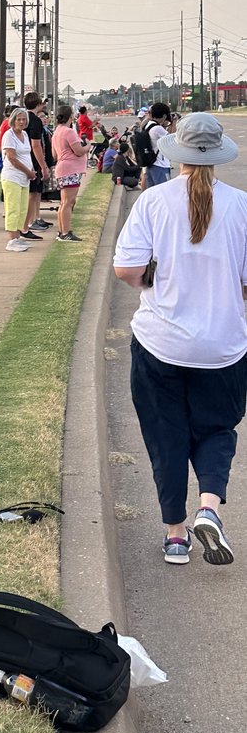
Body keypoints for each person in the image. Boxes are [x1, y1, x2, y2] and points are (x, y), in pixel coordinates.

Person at [113, 113, 247, 566]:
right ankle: (209, 508)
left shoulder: (153, 202)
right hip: (223, 345)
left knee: (164, 437)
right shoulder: (242, 206)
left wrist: (154, 280)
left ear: (179, 154)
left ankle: (175, 534)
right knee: (216, 430)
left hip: (160, 343)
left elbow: (127, 270)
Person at [0, 108, 37, 251]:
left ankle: (17, 236)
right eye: (19, 119)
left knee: (22, 208)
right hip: (12, 176)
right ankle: (11, 239)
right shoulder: (9, 135)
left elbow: (27, 154)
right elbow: (12, 158)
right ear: (13, 120)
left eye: (24, 119)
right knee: (13, 208)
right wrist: (28, 172)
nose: (21, 122)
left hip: (24, 177)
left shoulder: (25, 135)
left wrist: (31, 171)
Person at [52, 103, 89, 241]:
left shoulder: (57, 131)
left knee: (64, 202)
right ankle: (66, 232)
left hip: (62, 168)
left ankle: (62, 231)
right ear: (71, 117)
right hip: (70, 170)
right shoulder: (69, 132)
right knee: (68, 202)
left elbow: (54, 154)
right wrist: (88, 146)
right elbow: (79, 151)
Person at [20, 93, 49, 240]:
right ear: (38, 104)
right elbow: (36, 145)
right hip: (32, 161)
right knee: (32, 195)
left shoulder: (21, 118)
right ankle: (28, 225)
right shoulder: (35, 121)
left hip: (22, 159)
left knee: (31, 194)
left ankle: (28, 223)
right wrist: (43, 166)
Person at [140, 102, 176, 188]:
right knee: (165, 192)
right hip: (160, 165)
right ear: (164, 116)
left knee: (153, 193)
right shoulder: (157, 129)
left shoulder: (148, 125)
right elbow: (173, 139)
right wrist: (173, 122)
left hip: (151, 164)